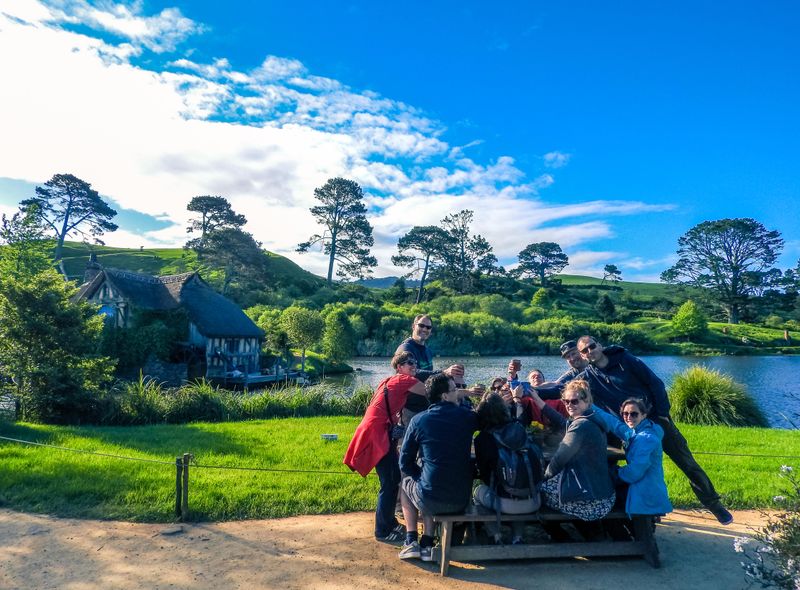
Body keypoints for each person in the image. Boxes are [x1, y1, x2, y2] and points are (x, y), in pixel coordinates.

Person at [575, 335, 733, 525]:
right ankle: (649, 511)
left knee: (686, 462)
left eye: (591, 346)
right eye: (584, 350)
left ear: (599, 345)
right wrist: (533, 390)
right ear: (582, 356)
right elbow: (564, 388)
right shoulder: (589, 377)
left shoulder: (625, 360)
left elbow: (655, 383)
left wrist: (663, 414)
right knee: (642, 468)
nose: (589, 351)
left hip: (656, 421)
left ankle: (714, 504)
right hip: (632, 429)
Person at [343, 351, 428, 542]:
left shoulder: (390, 380)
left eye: (415, 362)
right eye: (409, 363)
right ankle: (382, 530)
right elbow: (432, 391)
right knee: (389, 483)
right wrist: (465, 392)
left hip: (378, 431)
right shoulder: (403, 380)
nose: (414, 366)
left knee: (392, 478)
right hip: (377, 434)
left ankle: (389, 522)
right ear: (399, 367)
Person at [398, 373, 479, 561]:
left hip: (431, 497)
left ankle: (411, 541)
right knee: (424, 482)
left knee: (406, 483)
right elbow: (488, 418)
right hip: (461, 499)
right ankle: (426, 542)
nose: (458, 393)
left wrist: (420, 477)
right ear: (444, 396)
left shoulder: (418, 420)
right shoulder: (468, 417)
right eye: (454, 390)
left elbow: (404, 462)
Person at [529, 380, 616, 521]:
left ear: (586, 400)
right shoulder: (593, 419)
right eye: (566, 401)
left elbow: (558, 460)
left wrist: (543, 477)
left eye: (574, 401)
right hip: (605, 496)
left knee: (537, 495)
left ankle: (562, 537)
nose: (569, 405)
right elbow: (563, 422)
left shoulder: (580, 426)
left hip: (590, 504)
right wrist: (538, 400)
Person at [473, 392, 542, 544]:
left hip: (504, 504)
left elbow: (485, 476)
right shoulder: (520, 430)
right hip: (534, 500)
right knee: (519, 484)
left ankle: (495, 535)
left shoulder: (483, 439)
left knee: (478, 492)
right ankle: (517, 537)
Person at [594, 398, 673, 517]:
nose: (629, 417)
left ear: (644, 415)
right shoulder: (637, 431)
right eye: (625, 413)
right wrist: (589, 406)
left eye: (634, 414)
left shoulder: (645, 438)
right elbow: (614, 424)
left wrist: (613, 473)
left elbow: (635, 472)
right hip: (645, 488)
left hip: (644, 494)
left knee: (603, 495)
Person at [395, 314, 465, 422]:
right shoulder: (405, 348)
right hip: (410, 409)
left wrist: (452, 377)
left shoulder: (427, 350)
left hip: (427, 406)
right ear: (413, 326)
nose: (424, 329)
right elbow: (414, 372)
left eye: (428, 327)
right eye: (421, 325)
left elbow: (430, 377)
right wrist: (444, 372)